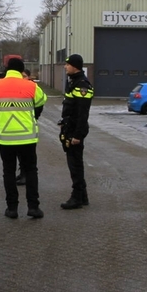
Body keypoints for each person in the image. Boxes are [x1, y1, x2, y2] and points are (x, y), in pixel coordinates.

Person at [0, 57, 47, 219]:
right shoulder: (31, 86)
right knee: (31, 170)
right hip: (27, 137)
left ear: (7, 69)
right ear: (21, 70)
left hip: (6, 138)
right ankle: (33, 207)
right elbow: (42, 101)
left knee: (8, 172)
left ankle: (12, 208)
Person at [59, 54, 94, 210]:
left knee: (75, 165)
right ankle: (82, 196)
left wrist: (77, 135)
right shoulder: (73, 81)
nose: (65, 67)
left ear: (75, 66)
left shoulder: (82, 85)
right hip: (69, 128)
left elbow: (82, 113)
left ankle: (77, 197)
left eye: (67, 64)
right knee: (74, 163)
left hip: (75, 131)